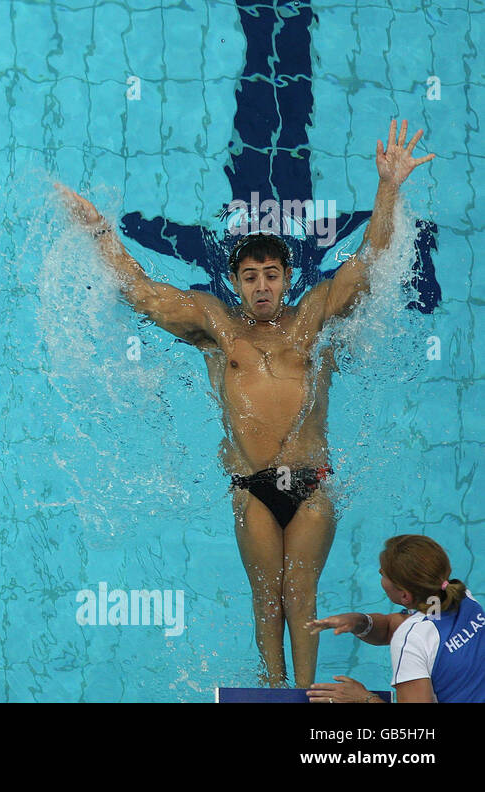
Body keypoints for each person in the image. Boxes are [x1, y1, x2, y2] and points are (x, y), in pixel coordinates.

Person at [58, 119, 435, 687]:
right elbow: (141, 293)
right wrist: (98, 234)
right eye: (251, 276)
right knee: (266, 597)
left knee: (299, 588)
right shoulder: (216, 326)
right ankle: (273, 689)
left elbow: (369, 260)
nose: (262, 286)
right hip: (251, 484)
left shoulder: (311, 320)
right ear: (235, 282)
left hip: (312, 480)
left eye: (272, 275)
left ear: (288, 279)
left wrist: (388, 188)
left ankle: (308, 693)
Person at [305, 535, 484, 703]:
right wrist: (358, 621)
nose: (380, 575)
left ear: (405, 596)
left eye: (382, 573)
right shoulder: (462, 597)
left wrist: (363, 698)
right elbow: (394, 628)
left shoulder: (411, 639)